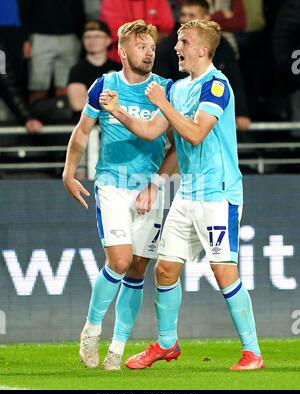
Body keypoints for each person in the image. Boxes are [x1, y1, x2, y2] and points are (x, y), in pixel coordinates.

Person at [100, 19, 265, 371]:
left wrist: (162, 100)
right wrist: (117, 112)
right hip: (187, 193)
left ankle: (253, 352)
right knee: (164, 270)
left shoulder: (216, 86)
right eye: (177, 41)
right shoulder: (177, 89)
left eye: (183, 42)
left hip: (218, 194)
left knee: (224, 273)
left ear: (202, 49)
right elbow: (149, 130)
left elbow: (194, 133)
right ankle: (166, 344)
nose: (176, 48)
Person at [63, 20, 176, 371]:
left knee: (139, 269)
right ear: (123, 51)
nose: (149, 52)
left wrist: (155, 185)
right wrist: (69, 171)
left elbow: (176, 149)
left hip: (150, 188)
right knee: (120, 261)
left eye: (152, 47)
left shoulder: (166, 90)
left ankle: (118, 347)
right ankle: (92, 328)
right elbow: (82, 132)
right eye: (141, 46)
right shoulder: (105, 85)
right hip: (112, 184)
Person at [153, 0, 251, 131]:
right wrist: (118, 111)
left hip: (207, 125)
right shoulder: (177, 84)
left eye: (192, 16)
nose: (186, 20)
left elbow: (235, 80)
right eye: (183, 15)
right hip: (178, 121)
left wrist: (241, 112)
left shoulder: (215, 83)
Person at [68, 20, 121, 120]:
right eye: (88, 37)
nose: (92, 41)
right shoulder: (77, 70)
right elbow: (78, 104)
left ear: (108, 40)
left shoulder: (119, 68)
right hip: (88, 124)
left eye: (97, 36)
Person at [99, 0, 175, 63]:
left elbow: (166, 28)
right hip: (120, 59)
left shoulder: (159, 1)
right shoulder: (111, 2)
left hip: (156, 57)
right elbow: (113, 32)